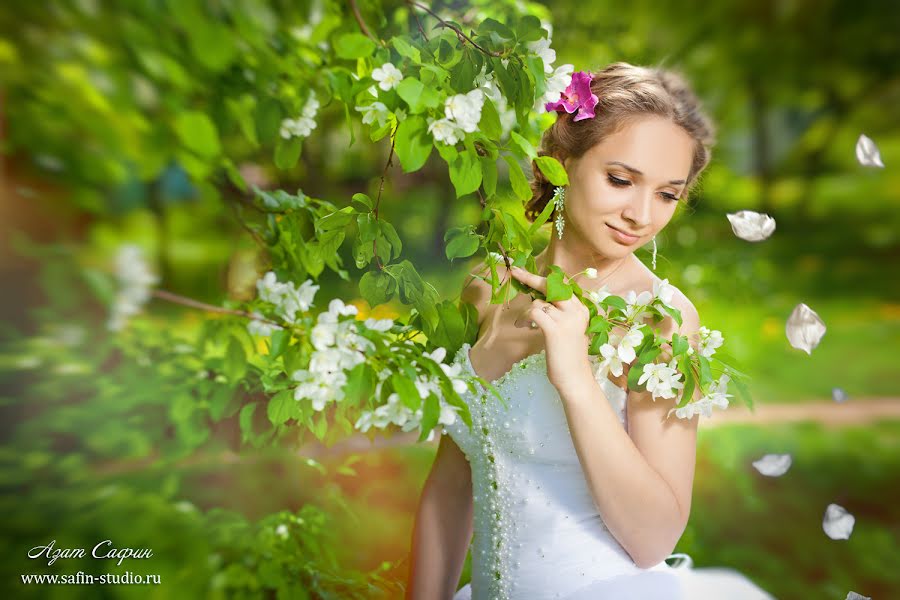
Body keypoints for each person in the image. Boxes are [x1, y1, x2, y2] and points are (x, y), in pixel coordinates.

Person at [405, 62, 775, 600]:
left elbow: (653, 539)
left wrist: (576, 380)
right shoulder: (486, 288)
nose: (641, 215)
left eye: (668, 195)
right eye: (621, 180)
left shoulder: (658, 317)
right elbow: (451, 483)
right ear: (561, 164)